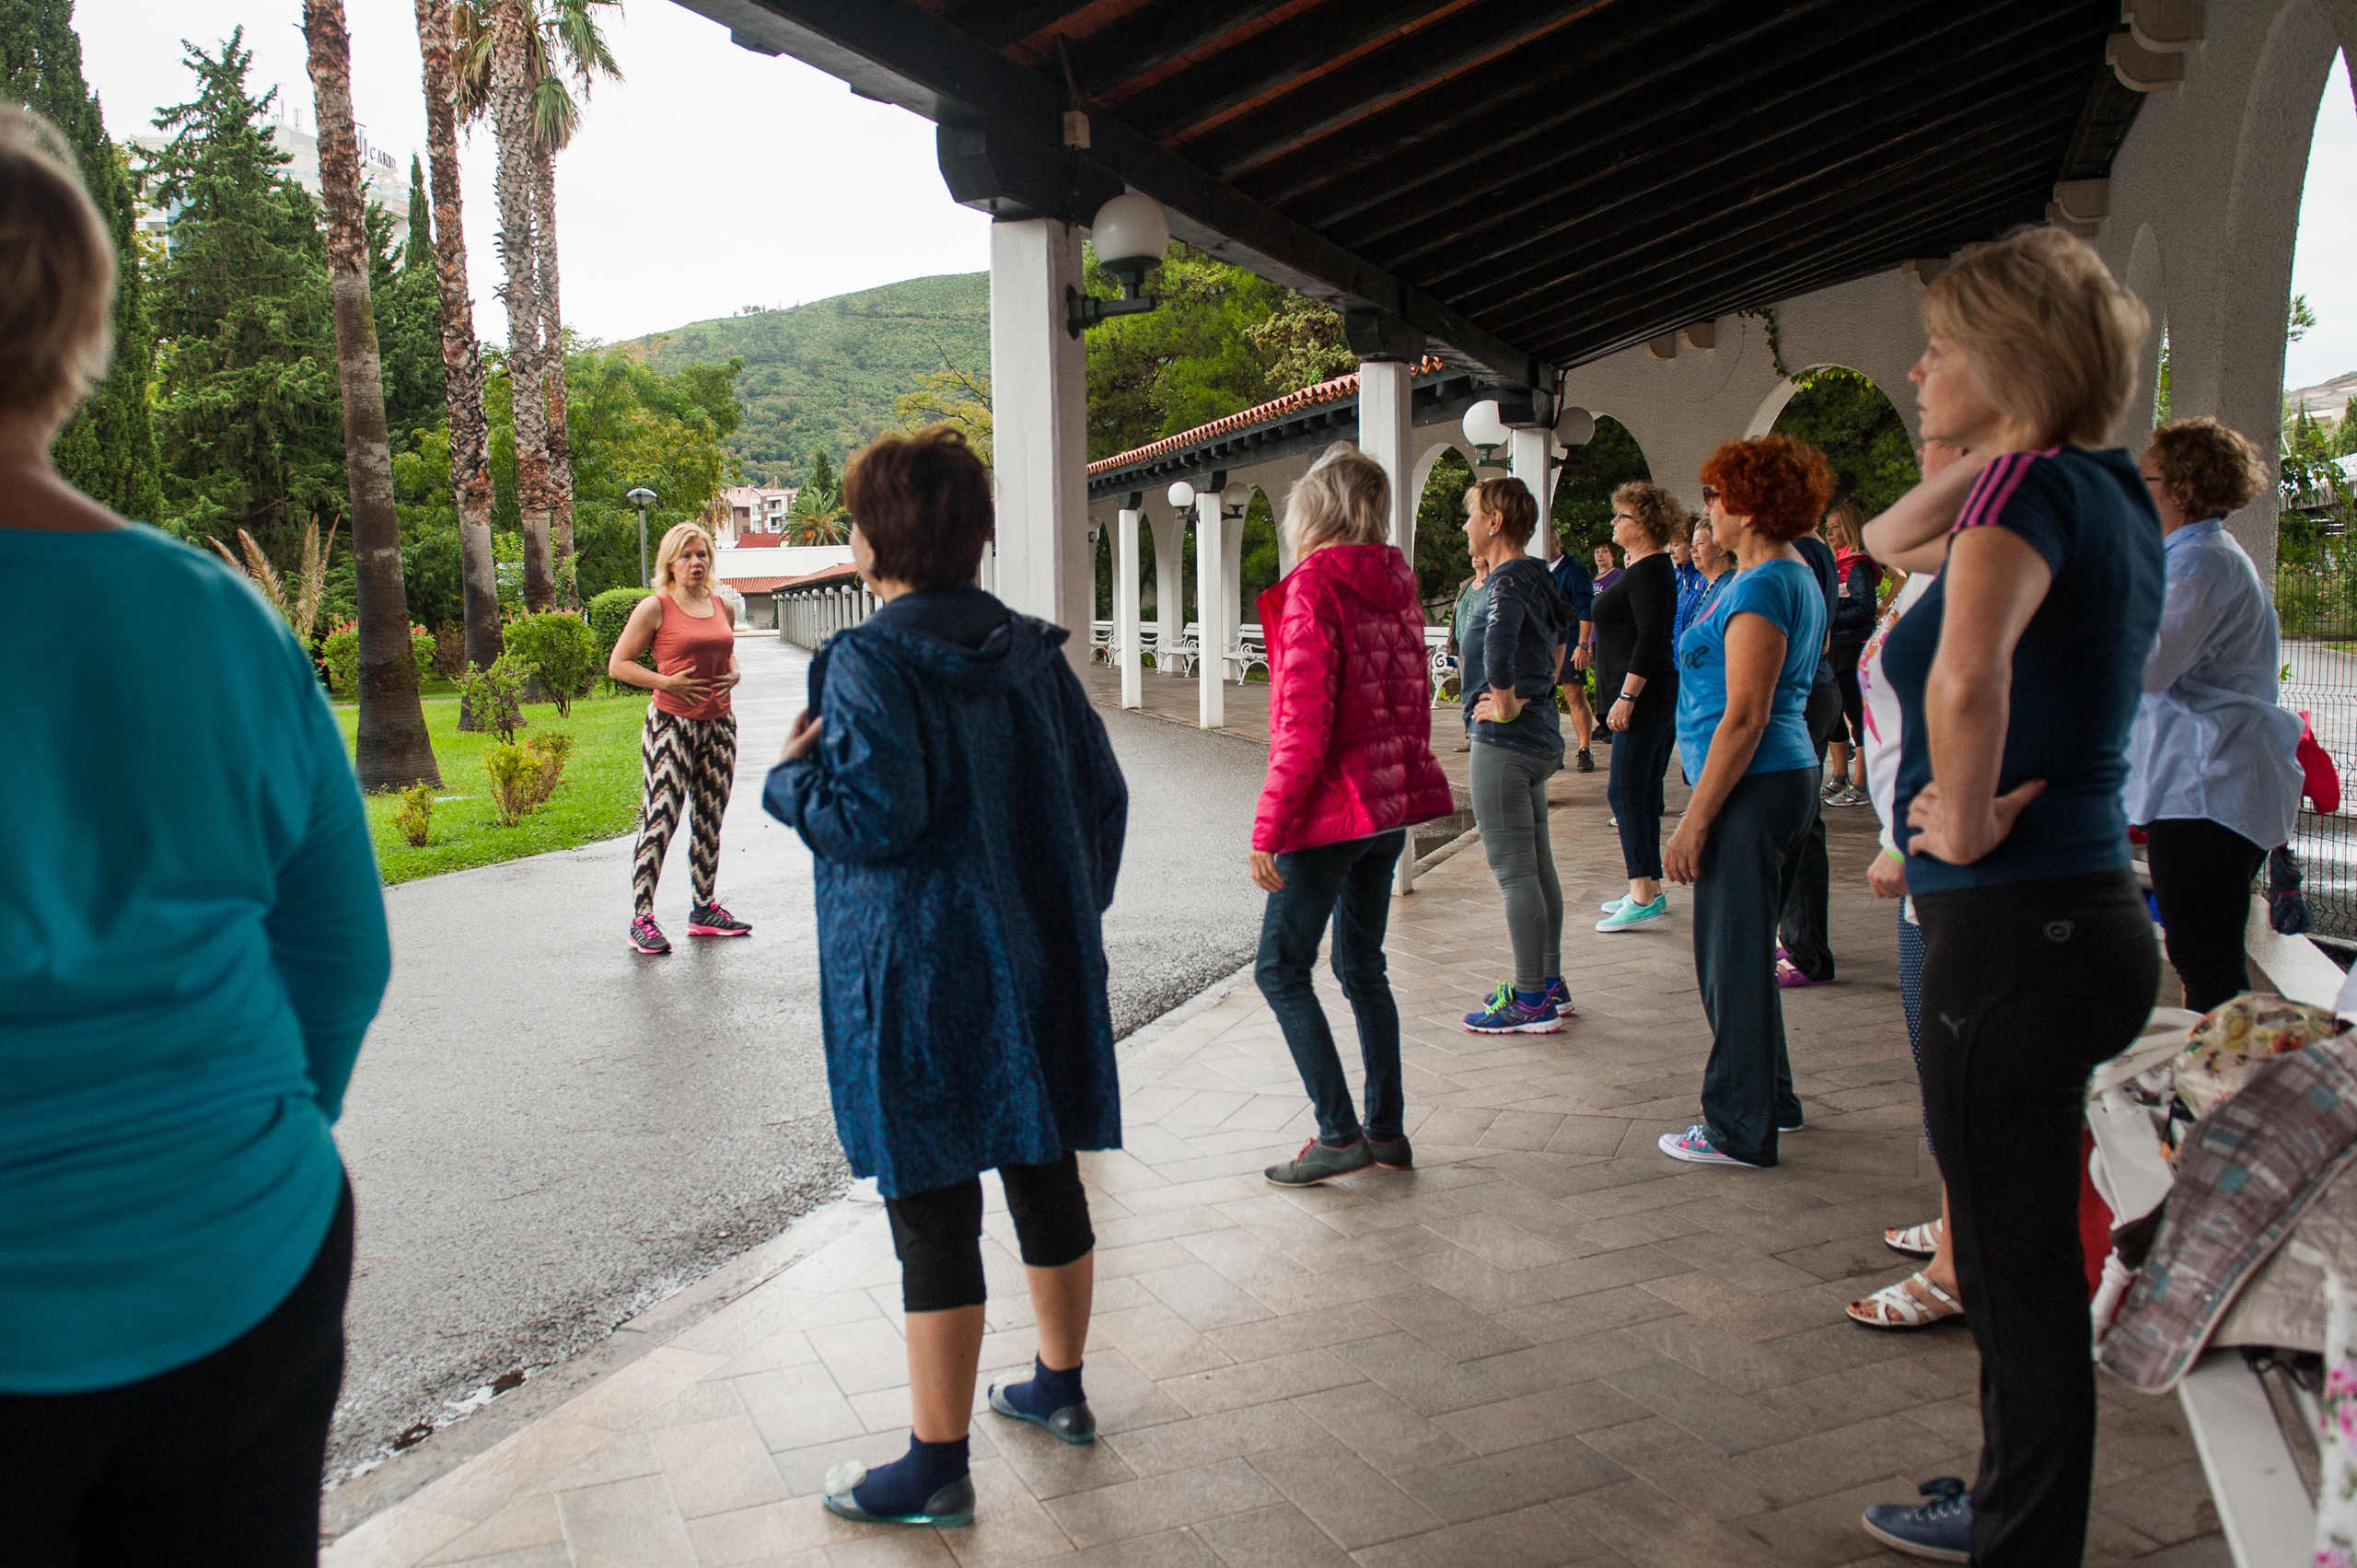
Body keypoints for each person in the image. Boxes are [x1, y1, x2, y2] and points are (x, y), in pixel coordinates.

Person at [0, 104, 391, 1562]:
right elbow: (341, 949)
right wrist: (248, 1131)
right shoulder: (216, 616)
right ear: (80, 327)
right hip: (246, 1256)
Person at [1859, 226, 2163, 1566]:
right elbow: (1881, 539)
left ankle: (2019, 1533)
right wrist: (2008, 440)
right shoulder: (2093, 482)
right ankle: (2007, 1497)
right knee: (2026, 1251)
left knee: (2016, 1268)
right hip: (2085, 911)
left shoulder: (2025, 496)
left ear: (2010, 354)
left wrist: (1968, 815)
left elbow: (1964, 675)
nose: (1920, 369)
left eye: (1943, 345)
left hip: (2012, 922)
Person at [763, 426, 1129, 1528]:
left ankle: (936, 1462)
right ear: (972, 532)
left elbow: (875, 815)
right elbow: (1102, 800)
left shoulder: (868, 660)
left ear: (879, 535)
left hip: (917, 975)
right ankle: (1058, 1388)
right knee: (1041, 1167)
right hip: (1033, 962)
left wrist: (787, 785)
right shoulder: (1031, 653)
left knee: (932, 1208)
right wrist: (1061, 914)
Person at [1249, 444, 1456, 1187]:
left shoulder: (1314, 588)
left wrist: (1269, 826)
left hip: (1333, 810)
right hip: (1386, 809)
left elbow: (1303, 726)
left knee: (1280, 968)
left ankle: (1339, 1132)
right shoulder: (1396, 588)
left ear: (1318, 507)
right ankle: (1387, 1130)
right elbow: (1414, 705)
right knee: (1362, 966)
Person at [1658, 436, 1834, 1168]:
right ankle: (1773, 1101)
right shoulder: (1770, 572)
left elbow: (1747, 713)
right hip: (1771, 779)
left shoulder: (1765, 583)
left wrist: (1694, 820)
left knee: (1729, 958)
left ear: (1748, 504)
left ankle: (1737, 1124)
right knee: (1743, 952)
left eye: (1715, 496)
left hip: (1753, 784)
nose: (1708, 510)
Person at [1847, 442, 1969, 1334]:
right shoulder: (1947, 550)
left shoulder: (1986, 542)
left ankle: (1961, 1262)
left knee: (1955, 1062)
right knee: (1937, 1059)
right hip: (1930, 849)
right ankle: (1958, 1219)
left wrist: (1904, 835)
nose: (1920, 381)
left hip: (1945, 856)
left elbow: (1958, 704)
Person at [2128, 418, 2303, 1014]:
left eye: (2146, 475)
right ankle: (2223, 1082)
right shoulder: (2197, 559)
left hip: (2208, 791)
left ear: (2180, 488)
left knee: (2207, 965)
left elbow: (2145, 666)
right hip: (2205, 787)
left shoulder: (2202, 566)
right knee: (2204, 959)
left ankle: (2226, 1090)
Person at [1459, 476, 1572, 1031]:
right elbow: (1566, 632)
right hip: (1539, 741)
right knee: (1537, 866)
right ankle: (1550, 981)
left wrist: (1505, 702)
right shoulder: (1537, 575)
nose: (1466, 525)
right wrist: (1537, 691)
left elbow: (1498, 644)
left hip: (1504, 747)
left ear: (1495, 521)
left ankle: (1530, 1000)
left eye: (1471, 514)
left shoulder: (1505, 582)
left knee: (1514, 875)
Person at [607, 523, 750, 955]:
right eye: (687, 555)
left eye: (702, 554)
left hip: (719, 725)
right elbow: (619, 664)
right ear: (670, 560)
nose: (696, 562)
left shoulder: (720, 605)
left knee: (709, 819)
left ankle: (703, 909)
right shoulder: (656, 607)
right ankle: (643, 918)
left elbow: (724, 652)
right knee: (661, 818)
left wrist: (735, 672)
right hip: (671, 726)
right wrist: (666, 683)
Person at [1595, 482, 1684, 932]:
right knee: (1642, 791)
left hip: (1646, 697)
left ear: (1644, 524)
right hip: (1648, 694)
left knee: (1626, 790)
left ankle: (1643, 892)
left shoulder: (1650, 571)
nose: (1614, 523)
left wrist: (1627, 697)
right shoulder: (1645, 568)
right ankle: (1649, 886)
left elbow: (1651, 637)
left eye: (1621, 516)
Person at [1773, 513, 1844, 990]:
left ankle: (1807, 950)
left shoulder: (1801, 549)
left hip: (1804, 696)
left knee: (1798, 825)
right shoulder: (1810, 549)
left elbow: (1807, 636)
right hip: (1812, 691)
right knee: (1801, 823)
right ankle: (1801, 941)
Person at [1824, 501, 1881, 807]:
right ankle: (1839, 776)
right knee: (1835, 712)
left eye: (1835, 526)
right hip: (1835, 647)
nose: (1829, 532)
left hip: (1851, 647)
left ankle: (1861, 784)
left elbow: (1865, 609)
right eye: (1827, 526)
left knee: (1855, 712)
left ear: (1849, 528)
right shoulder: (1836, 563)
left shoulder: (1857, 564)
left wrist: (1828, 615)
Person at [1544, 526, 1599, 772]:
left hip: (1571, 642)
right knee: (1544, 697)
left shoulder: (1575, 571)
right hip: (1545, 645)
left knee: (1574, 696)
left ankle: (1584, 749)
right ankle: (1554, 750)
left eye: (1549, 543)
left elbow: (1586, 610)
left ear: (1558, 543)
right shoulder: (1538, 571)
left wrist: (1583, 645)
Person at [1449, 558, 1490, 752]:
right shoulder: (1466, 586)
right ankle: (1470, 737)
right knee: (1468, 691)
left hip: (1485, 648)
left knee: (1484, 692)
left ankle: (1483, 737)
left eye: (1480, 554)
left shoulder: (1492, 585)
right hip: (1465, 649)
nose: (1474, 556)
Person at [1670, 522, 1709, 645]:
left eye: (1677, 544)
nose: (1670, 551)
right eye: (1669, 544)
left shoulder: (1705, 577)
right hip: (1675, 658)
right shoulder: (1674, 576)